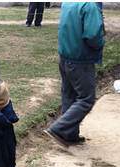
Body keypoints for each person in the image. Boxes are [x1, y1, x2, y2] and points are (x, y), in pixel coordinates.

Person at [45, 2, 104, 147]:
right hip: (81, 60)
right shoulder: (89, 6)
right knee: (86, 99)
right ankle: (59, 129)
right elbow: (93, 35)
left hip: (65, 57)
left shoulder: (68, 3)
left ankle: (69, 135)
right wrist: (100, 43)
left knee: (69, 96)